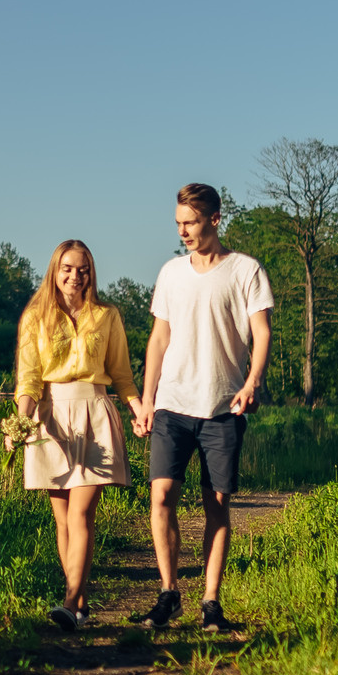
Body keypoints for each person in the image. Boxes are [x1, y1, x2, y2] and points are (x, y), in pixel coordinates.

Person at [130, 183, 273, 634]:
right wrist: (148, 398)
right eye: (178, 224)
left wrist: (252, 382)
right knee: (161, 496)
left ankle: (211, 602)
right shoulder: (171, 273)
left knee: (216, 503)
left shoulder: (246, 270)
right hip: (172, 404)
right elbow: (159, 339)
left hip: (222, 406)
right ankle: (169, 593)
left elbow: (262, 332)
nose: (183, 231)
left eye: (190, 222)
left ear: (214, 219)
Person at [14, 239, 139, 631]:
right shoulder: (35, 317)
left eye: (82, 269)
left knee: (83, 512)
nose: (74, 275)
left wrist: (139, 410)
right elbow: (29, 379)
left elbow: (121, 374)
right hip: (50, 417)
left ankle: (68, 602)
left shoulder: (107, 316)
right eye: (67, 268)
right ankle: (81, 605)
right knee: (63, 519)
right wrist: (22, 422)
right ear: (55, 270)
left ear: (91, 273)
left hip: (94, 413)